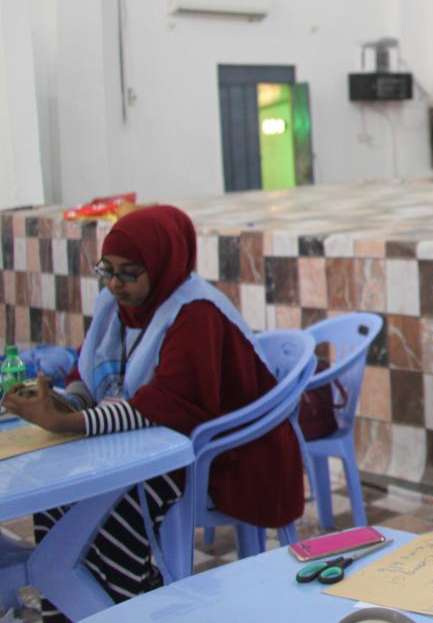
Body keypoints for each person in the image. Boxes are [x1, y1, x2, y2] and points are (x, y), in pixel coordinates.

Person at [1, 205, 304, 621]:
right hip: (155, 437)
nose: (114, 283)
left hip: (222, 451)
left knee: (114, 503)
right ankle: (69, 611)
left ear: (163, 264)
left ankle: (130, 609)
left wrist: (71, 422)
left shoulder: (195, 312)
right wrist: (63, 402)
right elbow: (87, 372)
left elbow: (171, 403)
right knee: (59, 495)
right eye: (107, 270)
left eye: (129, 273)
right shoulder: (116, 305)